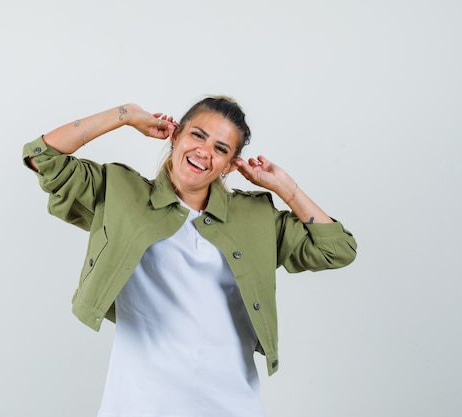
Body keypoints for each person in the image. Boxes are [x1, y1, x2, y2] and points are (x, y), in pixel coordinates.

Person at [22, 96, 357, 417]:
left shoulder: (254, 217)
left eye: (221, 149)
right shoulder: (121, 192)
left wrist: (286, 188)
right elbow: (43, 156)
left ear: (229, 164)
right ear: (176, 135)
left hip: (230, 406)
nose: (204, 152)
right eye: (198, 135)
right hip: (139, 404)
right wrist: (125, 115)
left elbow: (337, 249)